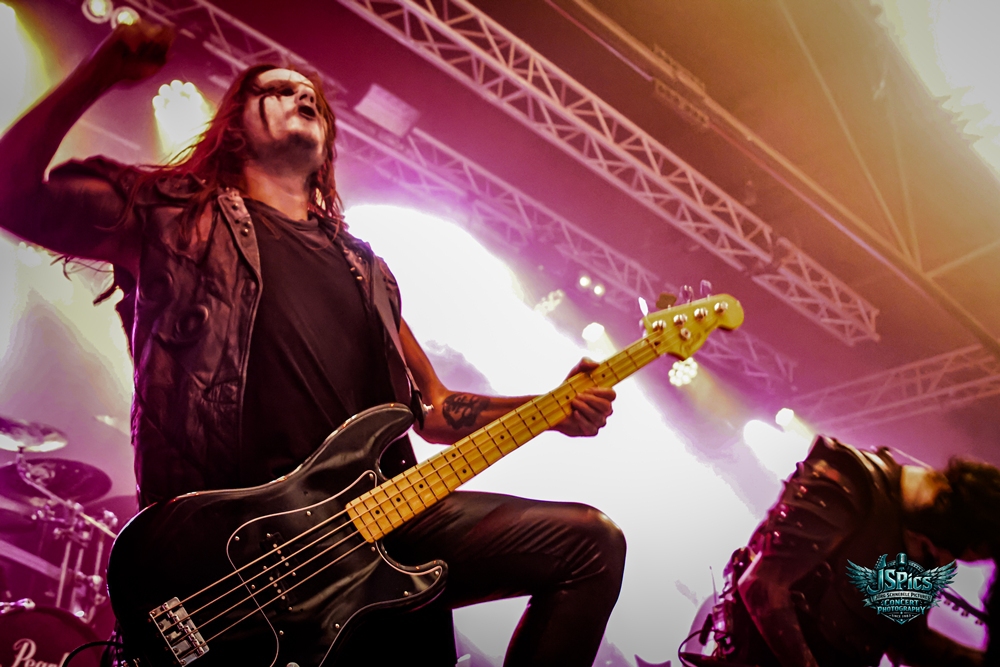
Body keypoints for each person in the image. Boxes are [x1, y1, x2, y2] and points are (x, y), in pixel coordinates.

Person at [0, 21, 626, 667]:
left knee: (589, 545)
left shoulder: (368, 270)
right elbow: (11, 194)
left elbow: (433, 410)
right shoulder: (176, 216)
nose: (301, 96)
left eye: (313, 100)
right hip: (242, 546)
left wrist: (551, 407)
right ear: (234, 125)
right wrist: (100, 72)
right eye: (277, 90)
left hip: (383, 520)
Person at [699, 435, 999, 667]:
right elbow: (763, 586)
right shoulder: (850, 480)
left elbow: (906, 641)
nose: (945, 561)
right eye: (956, 552)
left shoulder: (924, 542)